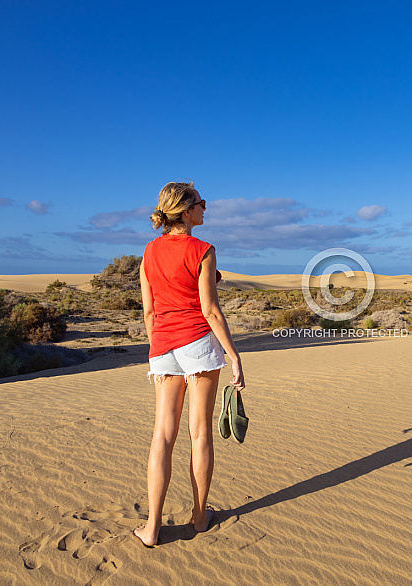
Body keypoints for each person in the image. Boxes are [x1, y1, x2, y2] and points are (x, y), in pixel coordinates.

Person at [133, 181, 244, 547]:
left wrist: (159, 345)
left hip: (162, 346)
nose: (205, 209)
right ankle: (199, 518)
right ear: (185, 211)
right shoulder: (203, 250)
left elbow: (149, 310)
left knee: (163, 436)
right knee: (199, 433)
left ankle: (151, 528)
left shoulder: (148, 252)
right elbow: (210, 310)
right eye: (201, 203)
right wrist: (233, 355)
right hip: (197, 344)